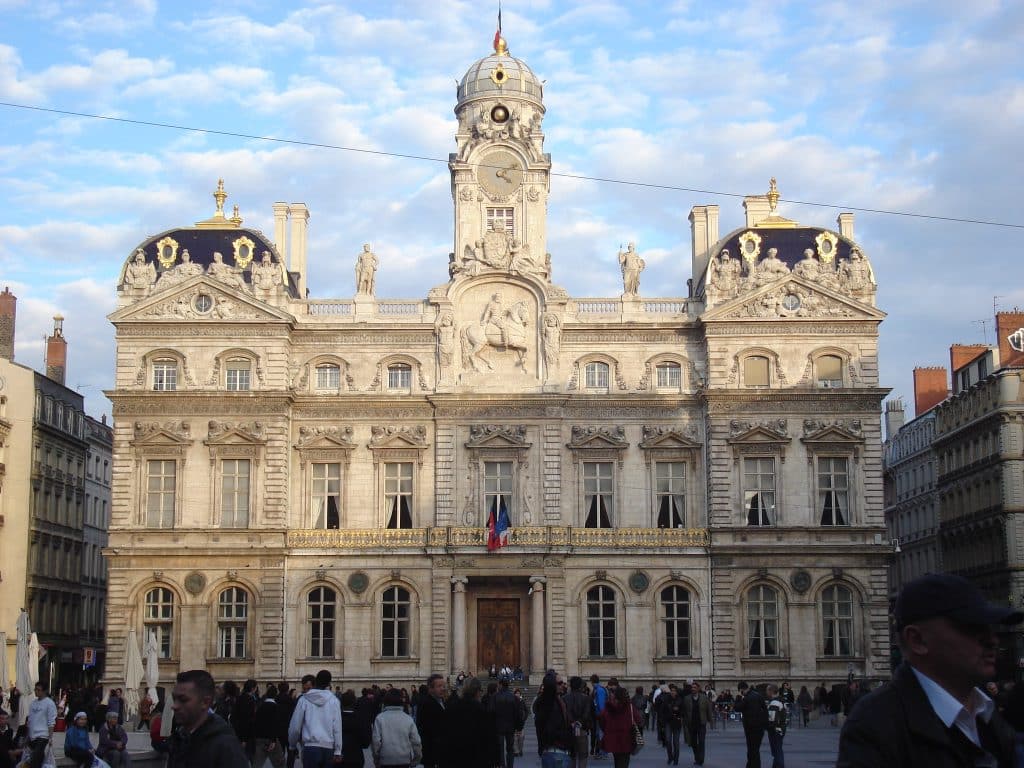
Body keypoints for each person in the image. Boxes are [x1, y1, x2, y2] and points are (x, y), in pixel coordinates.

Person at [837, 572, 1022, 767]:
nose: (992, 640)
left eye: (990, 627)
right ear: (917, 640)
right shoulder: (875, 724)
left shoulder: (989, 715)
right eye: (972, 628)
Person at [167, 670, 249, 768]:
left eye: (183, 700)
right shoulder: (179, 739)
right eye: (174, 699)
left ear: (205, 702)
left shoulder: (226, 747)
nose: (174, 706)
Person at [287, 669, 343, 768]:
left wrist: (292, 745)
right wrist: (338, 750)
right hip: (328, 748)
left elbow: (295, 726)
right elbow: (337, 727)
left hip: (310, 747)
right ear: (328, 683)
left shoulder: (304, 699)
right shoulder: (334, 701)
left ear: (316, 681)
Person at [442, 677, 495, 768]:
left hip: (456, 756)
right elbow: (488, 737)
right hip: (477, 757)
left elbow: (445, 734)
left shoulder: (451, 707)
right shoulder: (481, 709)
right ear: (477, 691)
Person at [372, 689, 422, 768]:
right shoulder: (408, 718)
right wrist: (416, 759)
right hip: (404, 760)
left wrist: (376, 759)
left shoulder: (380, 718)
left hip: (385, 760)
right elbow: (416, 741)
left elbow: (376, 742)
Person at [533, 671, 573, 768]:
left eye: (563, 683)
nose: (563, 685)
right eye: (560, 683)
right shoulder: (548, 704)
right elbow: (548, 727)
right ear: (551, 685)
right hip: (556, 751)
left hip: (558, 751)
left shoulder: (559, 700)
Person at [598, 685, 640, 768]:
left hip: (613, 739)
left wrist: (607, 730)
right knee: (625, 761)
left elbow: (602, 720)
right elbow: (638, 720)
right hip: (627, 739)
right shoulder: (630, 707)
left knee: (617, 760)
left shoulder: (608, 707)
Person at [734, 681, 768, 768]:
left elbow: (737, 708)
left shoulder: (747, 698)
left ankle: (753, 766)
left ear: (741, 689)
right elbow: (765, 710)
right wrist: (764, 724)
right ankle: (751, 765)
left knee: (752, 750)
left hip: (750, 727)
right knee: (755, 749)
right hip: (760, 727)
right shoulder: (758, 695)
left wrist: (738, 698)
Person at [415, 674, 446, 768]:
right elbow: (423, 727)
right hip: (431, 749)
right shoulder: (425, 703)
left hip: (441, 749)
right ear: (430, 688)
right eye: (439, 686)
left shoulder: (442, 701)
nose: (443, 689)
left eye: (443, 686)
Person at [563, 676, 592, 768]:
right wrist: (579, 723)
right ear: (580, 686)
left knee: (571, 755)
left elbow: (565, 713)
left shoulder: (564, 698)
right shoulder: (586, 698)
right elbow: (587, 714)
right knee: (583, 756)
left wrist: (572, 722)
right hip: (582, 729)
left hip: (569, 730)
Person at [253, 684, 285, 768]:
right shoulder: (276, 707)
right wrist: (273, 740)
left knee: (257, 764)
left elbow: (255, 722)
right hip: (271, 739)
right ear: (275, 695)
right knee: (280, 763)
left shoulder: (260, 706)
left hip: (259, 738)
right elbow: (275, 724)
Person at [25, 682, 57, 768]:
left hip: (43, 736)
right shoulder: (32, 703)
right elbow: (30, 720)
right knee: (35, 760)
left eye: (38, 690)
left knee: (34, 760)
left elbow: (51, 722)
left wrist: (50, 738)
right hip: (32, 737)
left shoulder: (50, 703)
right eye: (35, 689)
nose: (36, 691)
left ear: (44, 691)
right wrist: (27, 736)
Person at [489, 678, 518, 768]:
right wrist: (518, 726)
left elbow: (491, 711)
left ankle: (502, 765)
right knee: (510, 749)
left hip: (498, 727)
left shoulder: (495, 696)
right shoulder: (513, 697)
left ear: (501, 685)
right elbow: (517, 713)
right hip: (510, 727)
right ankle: (510, 766)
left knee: (500, 749)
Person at [681, 682, 711, 767]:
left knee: (701, 741)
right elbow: (684, 711)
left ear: (698, 688)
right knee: (693, 742)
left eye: (694, 687)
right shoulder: (687, 698)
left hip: (701, 723)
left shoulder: (704, 698)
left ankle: (701, 759)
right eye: (692, 687)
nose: (693, 689)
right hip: (691, 724)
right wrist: (685, 721)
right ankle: (697, 757)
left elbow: (708, 709)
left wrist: (710, 720)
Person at [339, 690, 370, 768]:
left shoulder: (336, 718)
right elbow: (366, 740)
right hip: (356, 756)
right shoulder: (360, 718)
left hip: (339, 756)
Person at [765, 684, 788, 768]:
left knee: (777, 750)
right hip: (781, 728)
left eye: (767, 690)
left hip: (775, 729)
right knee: (778, 749)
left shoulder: (774, 703)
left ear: (771, 691)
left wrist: (767, 727)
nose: (766, 692)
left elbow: (772, 719)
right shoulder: (782, 701)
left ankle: (780, 766)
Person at [661, 684, 683, 766]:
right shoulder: (666, 700)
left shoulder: (680, 700)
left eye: (674, 691)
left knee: (676, 742)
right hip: (668, 722)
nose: (673, 692)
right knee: (668, 740)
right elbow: (662, 711)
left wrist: (679, 715)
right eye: (672, 691)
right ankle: (670, 757)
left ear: (677, 692)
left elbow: (683, 711)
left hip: (677, 722)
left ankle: (676, 759)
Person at [589, 675, 608, 759]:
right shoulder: (597, 689)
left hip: (600, 716)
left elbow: (600, 704)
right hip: (598, 715)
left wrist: (601, 715)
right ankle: (601, 752)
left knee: (600, 734)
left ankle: (603, 752)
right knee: (598, 734)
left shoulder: (599, 690)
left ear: (592, 681)